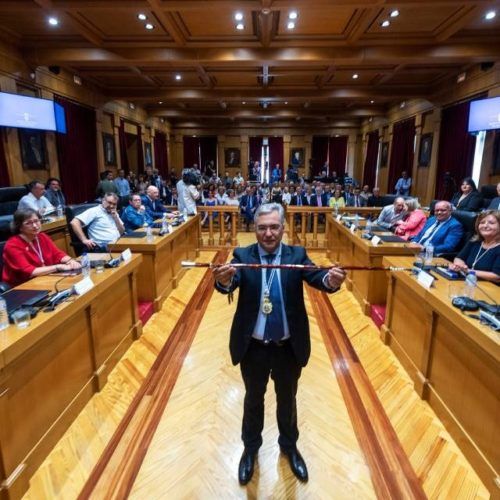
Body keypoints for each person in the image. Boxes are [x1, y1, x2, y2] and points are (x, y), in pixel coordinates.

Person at [212, 203, 346, 485]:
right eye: (262, 228)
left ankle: (289, 446)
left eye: (274, 227)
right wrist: (224, 282)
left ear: (283, 228)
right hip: (254, 347)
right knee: (253, 399)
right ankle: (250, 450)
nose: (268, 234)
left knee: (288, 400)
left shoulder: (296, 255)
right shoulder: (242, 255)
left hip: (287, 347)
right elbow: (229, 282)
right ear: (255, 228)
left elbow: (317, 277)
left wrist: (331, 280)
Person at [2, 209, 81, 287]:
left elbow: (57, 254)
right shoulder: (12, 245)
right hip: (22, 286)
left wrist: (70, 261)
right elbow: (29, 271)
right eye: (28, 223)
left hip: (44, 278)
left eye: (36, 221)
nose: (35, 226)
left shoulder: (42, 236)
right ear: (20, 227)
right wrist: (58, 267)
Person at [449, 210, 500, 283]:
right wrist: (459, 266)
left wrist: (467, 271)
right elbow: (459, 258)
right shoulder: (475, 241)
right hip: (468, 282)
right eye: (482, 223)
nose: (485, 226)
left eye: (491, 223)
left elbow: (497, 276)